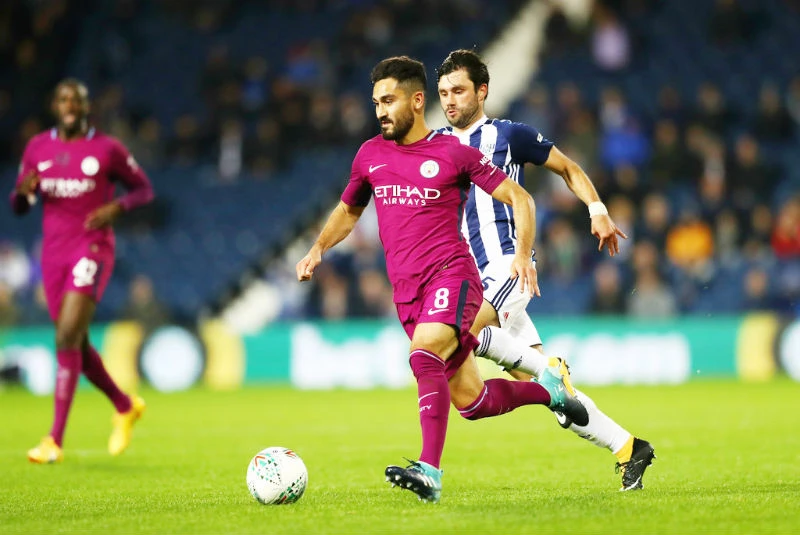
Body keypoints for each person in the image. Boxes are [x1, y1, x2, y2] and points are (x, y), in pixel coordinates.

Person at [296, 56, 587, 503]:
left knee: (423, 353)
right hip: (408, 294)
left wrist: (524, 254)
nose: (380, 111)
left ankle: (429, 471)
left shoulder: (454, 154)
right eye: (376, 102)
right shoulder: (370, 155)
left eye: (388, 100)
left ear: (416, 101)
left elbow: (521, 198)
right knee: (471, 402)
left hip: (453, 276)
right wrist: (318, 248)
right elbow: (349, 210)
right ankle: (548, 390)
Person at [436, 49, 655, 491]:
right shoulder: (436, 145)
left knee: (453, 336)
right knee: (549, 393)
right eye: (443, 93)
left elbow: (568, 167)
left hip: (507, 265)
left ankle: (549, 368)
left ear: (482, 91)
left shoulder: (509, 135)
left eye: (458, 90)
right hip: (466, 273)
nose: (450, 100)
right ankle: (629, 447)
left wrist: (596, 208)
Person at [10, 79, 154, 464]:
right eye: (63, 99)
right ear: (55, 106)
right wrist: (23, 191)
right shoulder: (38, 147)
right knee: (74, 342)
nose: (69, 105)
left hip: (91, 247)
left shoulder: (107, 149)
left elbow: (143, 190)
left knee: (67, 335)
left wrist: (116, 208)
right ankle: (125, 406)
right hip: (53, 255)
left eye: (76, 100)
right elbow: (18, 205)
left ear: (86, 107)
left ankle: (53, 439)